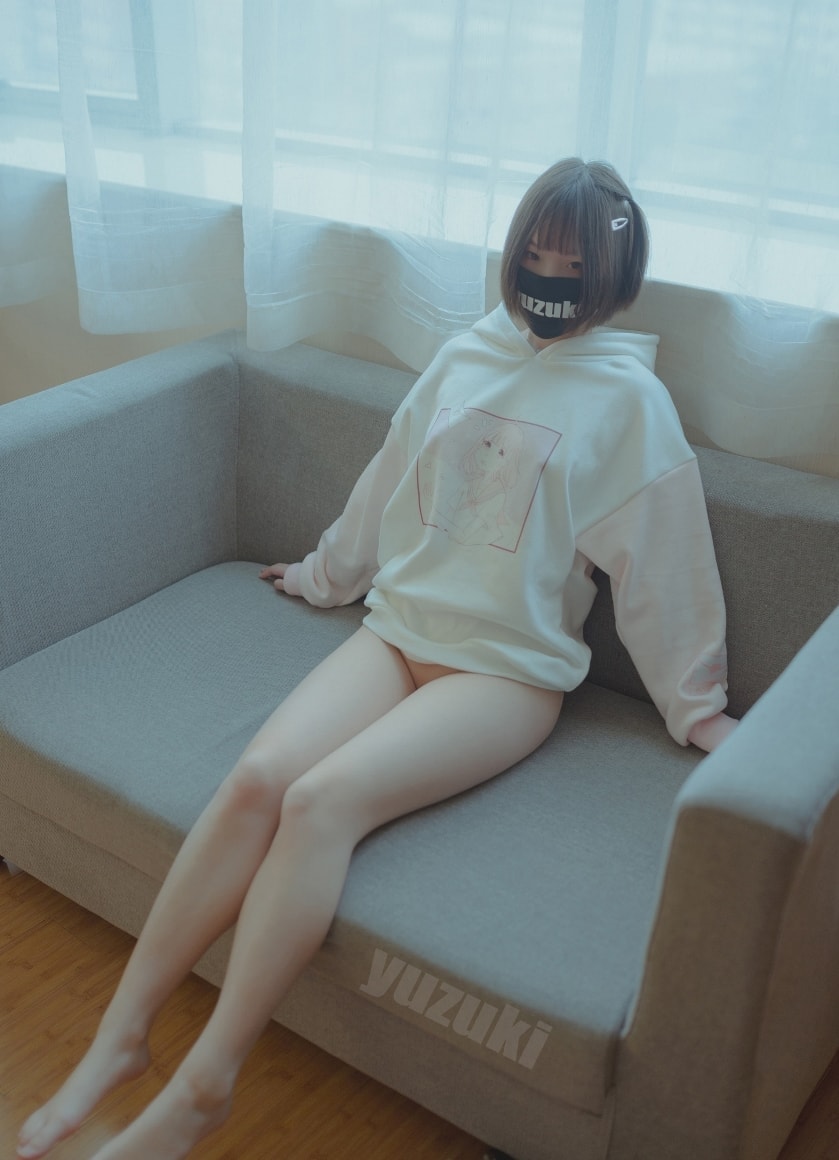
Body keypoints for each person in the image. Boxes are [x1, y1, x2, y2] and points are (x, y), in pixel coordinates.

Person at [16, 157, 737, 1160]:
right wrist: (325, 575)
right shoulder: (466, 354)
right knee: (256, 780)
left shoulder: (630, 402)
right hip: (397, 632)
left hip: (504, 673)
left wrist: (695, 708)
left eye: (573, 262)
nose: (548, 275)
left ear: (613, 273)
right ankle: (119, 1038)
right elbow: (389, 481)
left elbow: (666, 566)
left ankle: (206, 1082)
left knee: (321, 801)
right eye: (534, 253)